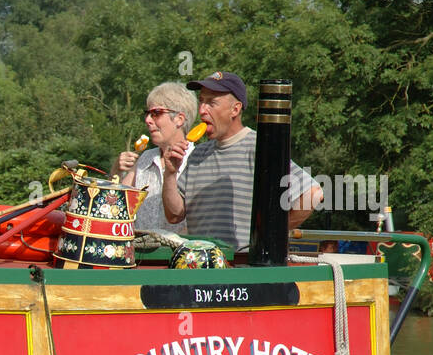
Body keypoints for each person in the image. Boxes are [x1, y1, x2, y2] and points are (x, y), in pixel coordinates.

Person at [162, 71, 321, 251]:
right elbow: (174, 216)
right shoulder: (197, 154)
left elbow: (313, 194)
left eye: (211, 103)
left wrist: (269, 234)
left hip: (242, 269)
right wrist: (170, 173)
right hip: (201, 266)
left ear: (235, 109)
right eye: (201, 101)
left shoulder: (259, 147)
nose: (201, 110)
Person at [112, 82, 197, 234]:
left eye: (156, 113)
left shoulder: (197, 159)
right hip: (139, 253)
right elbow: (117, 205)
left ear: (179, 119)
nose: (148, 120)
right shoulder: (145, 158)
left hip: (179, 254)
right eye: (147, 113)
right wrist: (116, 170)